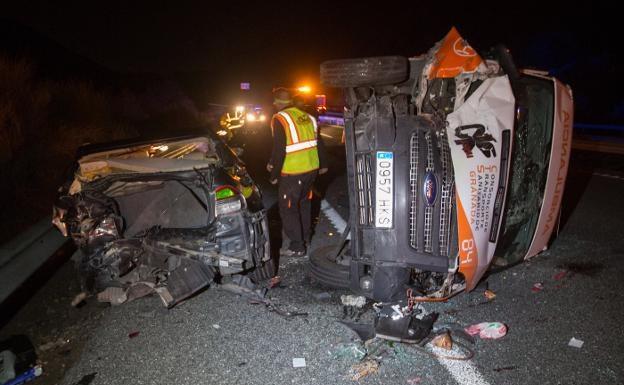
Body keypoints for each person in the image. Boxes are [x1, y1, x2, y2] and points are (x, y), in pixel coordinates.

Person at [267, 88, 327, 257]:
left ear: (277, 103)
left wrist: (274, 175)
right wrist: (324, 163)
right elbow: (318, 142)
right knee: (303, 204)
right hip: (310, 170)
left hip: (293, 172)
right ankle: (305, 238)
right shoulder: (308, 117)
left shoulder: (280, 118)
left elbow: (280, 148)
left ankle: (297, 246)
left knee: (288, 208)